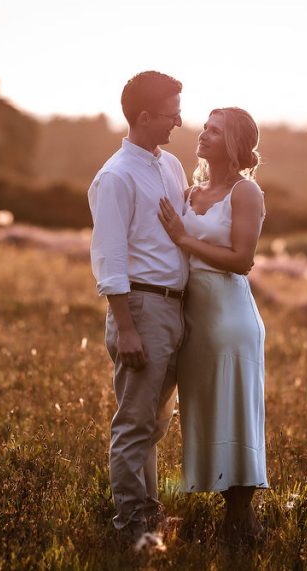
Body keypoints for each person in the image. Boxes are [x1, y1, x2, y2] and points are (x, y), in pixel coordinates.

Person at [157, 106, 267, 546]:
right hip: (193, 320)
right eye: (204, 126)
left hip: (230, 319)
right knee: (203, 409)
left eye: (215, 130)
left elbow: (243, 260)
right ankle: (219, 499)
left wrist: (185, 239)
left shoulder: (246, 193)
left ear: (235, 143)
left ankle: (241, 519)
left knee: (235, 411)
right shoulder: (189, 191)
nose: (202, 134)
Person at [87, 70, 189, 543]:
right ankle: (132, 526)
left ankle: (148, 516)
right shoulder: (116, 177)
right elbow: (110, 260)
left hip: (173, 309)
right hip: (141, 309)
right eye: (171, 114)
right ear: (144, 116)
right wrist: (126, 327)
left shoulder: (168, 166)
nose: (179, 122)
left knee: (154, 424)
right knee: (133, 424)